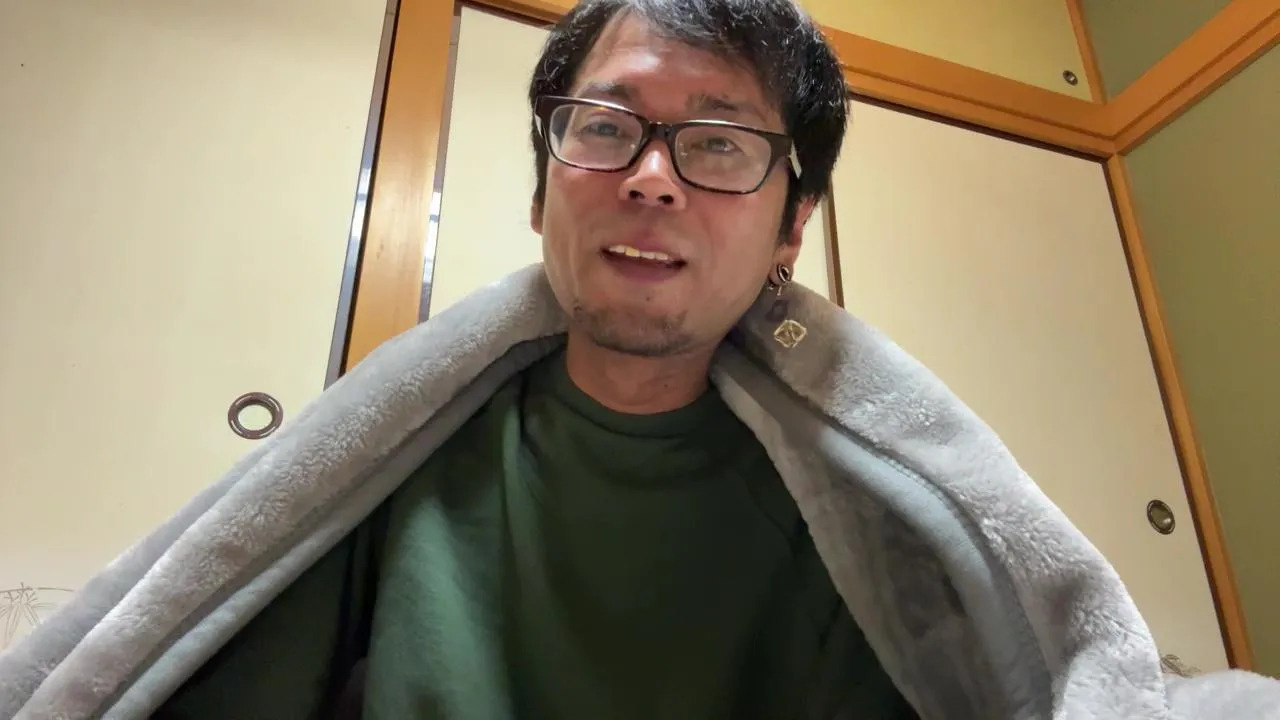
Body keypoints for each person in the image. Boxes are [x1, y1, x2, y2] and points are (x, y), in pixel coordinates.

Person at [3, 0, 1279, 718]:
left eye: (718, 144)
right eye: (606, 127)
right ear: (542, 190)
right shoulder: (394, 470)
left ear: (789, 228)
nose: (652, 179)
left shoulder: (870, 509)